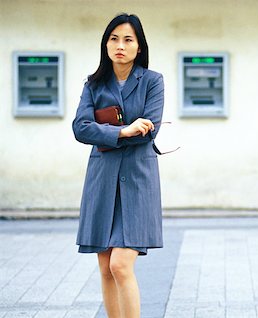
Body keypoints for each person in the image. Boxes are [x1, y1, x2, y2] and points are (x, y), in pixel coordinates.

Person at [72, 13, 164, 318]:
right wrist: (122, 130)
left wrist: (105, 135)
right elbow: (80, 128)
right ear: (105, 44)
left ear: (139, 47)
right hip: (102, 180)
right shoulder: (94, 84)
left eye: (128, 39)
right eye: (114, 39)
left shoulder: (152, 81)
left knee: (120, 264)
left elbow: (150, 131)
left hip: (138, 180)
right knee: (105, 267)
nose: (120, 46)